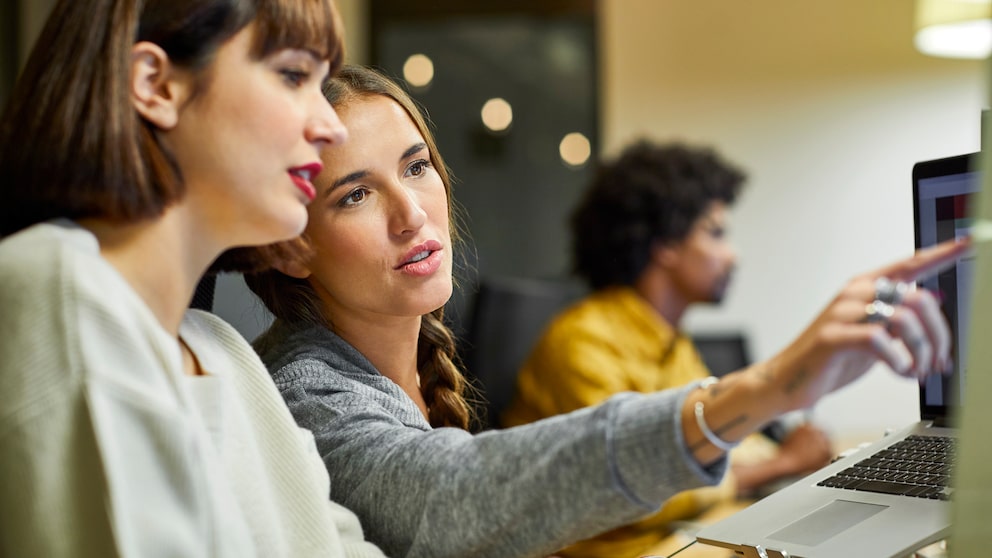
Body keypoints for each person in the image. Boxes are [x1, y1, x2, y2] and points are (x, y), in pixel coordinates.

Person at [245, 64, 968, 558]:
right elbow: (451, 497)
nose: (412, 214)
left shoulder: (403, 371)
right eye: (355, 195)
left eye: (416, 166)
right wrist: (770, 385)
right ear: (289, 246)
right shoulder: (306, 394)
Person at [0, 1, 387, 556]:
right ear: (155, 84)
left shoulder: (223, 351)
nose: (329, 125)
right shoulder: (57, 287)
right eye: (293, 75)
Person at [500, 141, 833, 557]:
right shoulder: (581, 342)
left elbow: (720, 438)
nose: (733, 255)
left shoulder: (670, 341)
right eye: (715, 233)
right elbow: (629, 487)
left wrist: (802, 456)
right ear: (666, 246)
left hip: (678, 536)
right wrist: (782, 463)